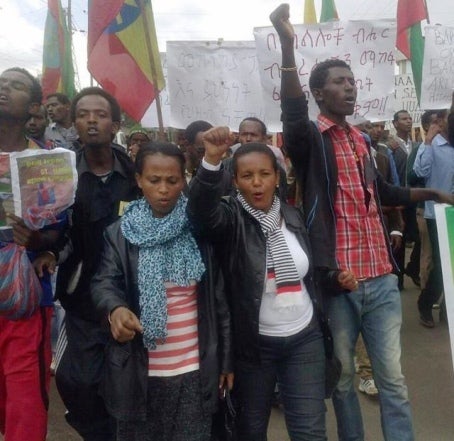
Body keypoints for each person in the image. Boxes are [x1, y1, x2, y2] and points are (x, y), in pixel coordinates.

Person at [270, 4, 454, 441]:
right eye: (339, 82)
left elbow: (384, 196)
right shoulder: (311, 140)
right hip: (340, 282)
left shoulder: (360, 140)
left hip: (382, 281)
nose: (350, 88)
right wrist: (288, 44)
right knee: (345, 379)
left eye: (352, 82)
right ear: (319, 93)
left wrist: (433, 194)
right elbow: (293, 117)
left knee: (392, 380)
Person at [188, 128, 357, 440]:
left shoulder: (293, 217)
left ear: (276, 178)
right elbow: (199, 214)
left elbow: (311, 272)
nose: (256, 182)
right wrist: (211, 160)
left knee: (310, 430)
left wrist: (335, 278)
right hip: (254, 348)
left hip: (304, 340)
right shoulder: (229, 218)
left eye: (264, 174)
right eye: (247, 175)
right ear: (235, 181)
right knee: (251, 430)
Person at [90, 142, 233, 441]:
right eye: (154, 180)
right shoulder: (119, 233)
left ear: (184, 180)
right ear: (138, 180)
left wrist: (225, 359)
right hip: (139, 374)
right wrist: (115, 309)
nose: (164, 189)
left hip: (193, 372)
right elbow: (104, 281)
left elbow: (219, 302)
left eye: (173, 180)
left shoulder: (198, 229)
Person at [34, 87, 139, 440]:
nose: (92, 120)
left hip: (128, 298)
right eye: (83, 114)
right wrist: (50, 251)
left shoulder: (136, 174)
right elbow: (55, 227)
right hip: (80, 300)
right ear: (73, 122)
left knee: (125, 382)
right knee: (73, 381)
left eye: (101, 114)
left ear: (115, 124)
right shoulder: (62, 175)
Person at [0, 67, 64, 441]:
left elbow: (60, 226)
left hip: (23, 293)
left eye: (16, 86)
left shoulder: (49, 161)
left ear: (35, 106)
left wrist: (40, 241)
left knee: (24, 384)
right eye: (1, 83)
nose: (4, 89)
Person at [413, 108, 454, 328]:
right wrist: (428, 141)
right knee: (441, 265)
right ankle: (425, 304)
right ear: (440, 122)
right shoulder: (433, 145)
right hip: (437, 213)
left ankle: (449, 311)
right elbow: (420, 172)